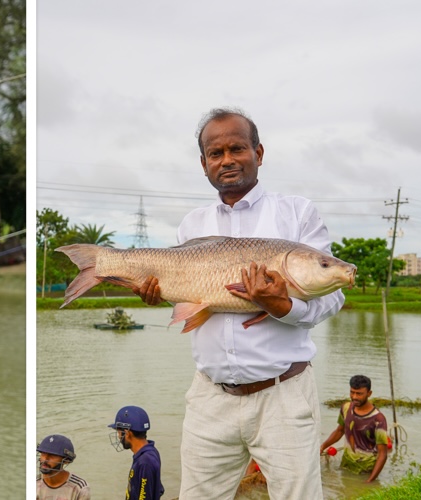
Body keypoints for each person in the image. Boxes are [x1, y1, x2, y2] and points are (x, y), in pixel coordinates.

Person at [132, 108, 345, 499]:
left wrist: (283, 305)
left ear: (259, 153)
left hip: (283, 394)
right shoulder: (191, 224)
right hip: (210, 398)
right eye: (216, 153)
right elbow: (189, 300)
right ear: (204, 164)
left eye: (237, 148)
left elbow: (333, 296)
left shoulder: (297, 213)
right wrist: (156, 294)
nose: (227, 160)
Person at [320, 375, 389, 482]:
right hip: (346, 464)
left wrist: (370, 481)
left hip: (366, 469)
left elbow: (383, 454)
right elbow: (340, 430)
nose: (355, 397)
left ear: (369, 393)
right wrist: (323, 446)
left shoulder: (378, 419)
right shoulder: (346, 407)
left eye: (359, 393)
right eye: (352, 392)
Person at [108, 406, 163, 500]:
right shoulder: (150, 452)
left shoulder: (145, 462)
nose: (118, 436)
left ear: (127, 433)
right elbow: (159, 489)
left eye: (119, 432)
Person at [35, 434, 89, 500]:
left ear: (66, 460)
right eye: (43, 454)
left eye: (52, 455)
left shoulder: (79, 487)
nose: (45, 459)